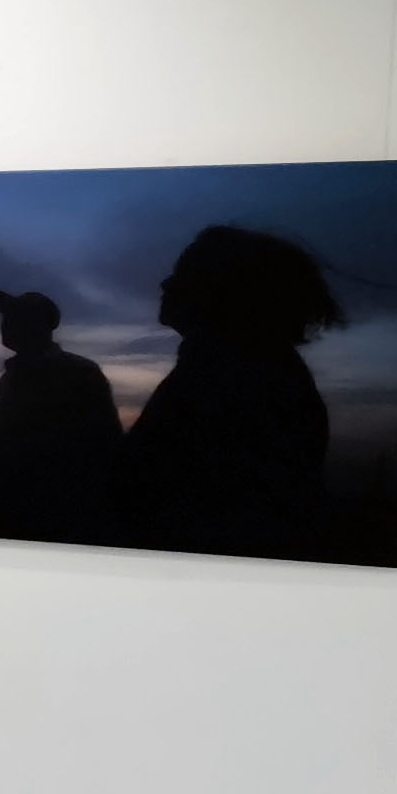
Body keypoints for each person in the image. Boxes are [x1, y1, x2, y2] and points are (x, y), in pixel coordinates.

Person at [124, 225, 342, 559]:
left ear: (225, 290)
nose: (165, 283)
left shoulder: (237, 379)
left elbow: (173, 497)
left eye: (184, 274)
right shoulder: (244, 368)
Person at [0, 287, 124, 544]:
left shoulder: (79, 373)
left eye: (16, 316)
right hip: (10, 506)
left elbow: (105, 443)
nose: (5, 324)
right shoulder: (11, 376)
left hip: (58, 512)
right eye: (6, 317)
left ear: (38, 325)